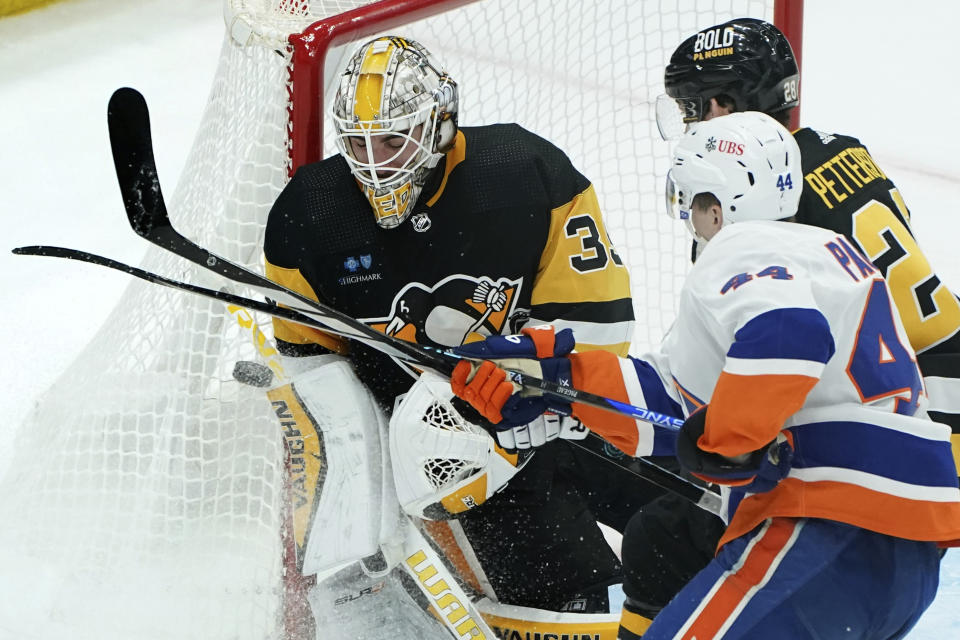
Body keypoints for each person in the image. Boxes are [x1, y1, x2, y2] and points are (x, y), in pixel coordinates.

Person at [450, 111, 960, 639]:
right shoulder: (829, 255)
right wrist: (558, 380)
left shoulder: (740, 248)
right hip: (905, 553)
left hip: (826, 526)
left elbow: (790, 335)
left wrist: (728, 444)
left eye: (693, 204)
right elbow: (669, 402)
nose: (691, 222)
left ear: (717, 207)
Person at [262, 35, 656, 638]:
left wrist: (530, 379)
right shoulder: (308, 219)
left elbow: (599, 331)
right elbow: (318, 390)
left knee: (702, 527)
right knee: (589, 609)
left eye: (393, 139)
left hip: (560, 417)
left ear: (440, 123)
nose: (375, 163)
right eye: (358, 143)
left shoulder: (525, 175)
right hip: (452, 463)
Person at [591, 17, 960, 636]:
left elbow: (786, 340)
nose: (686, 127)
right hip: (922, 410)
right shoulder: (835, 153)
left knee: (666, 534)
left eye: (691, 108)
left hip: (880, 451)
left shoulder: (754, 207)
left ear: (725, 105)